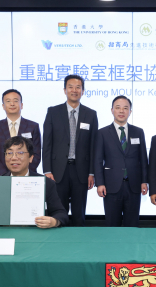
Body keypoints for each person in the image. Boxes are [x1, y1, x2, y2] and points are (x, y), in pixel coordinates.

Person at [0, 136, 68, 228]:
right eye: (9, 153)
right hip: (4, 236)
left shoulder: (45, 183)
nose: (14, 158)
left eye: (20, 153)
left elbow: (61, 213)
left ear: (31, 158)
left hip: (35, 234)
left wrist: (54, 221)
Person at [42, 74, 99, 226]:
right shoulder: (53, 112)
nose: (74, 90)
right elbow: (46, 143)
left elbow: (94, 146)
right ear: (64, 90)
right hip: (58, 170)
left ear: (83, 91)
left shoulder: (91, 114)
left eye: (78, 87)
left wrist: (92, 172)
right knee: (59, 210)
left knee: (79, 212)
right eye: (71, 87)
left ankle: (79, 244)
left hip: (81, 171)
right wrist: (47, 170)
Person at [94, 96, 148, 227]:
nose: (121, 111)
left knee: (132, 223)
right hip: (111, 186)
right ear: (112, 110)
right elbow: (98, 160)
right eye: (118, 108)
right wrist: (100, 183)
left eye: (125, 108)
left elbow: (143, 159)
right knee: (112, 223)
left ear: (130, 111)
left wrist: (144, 181)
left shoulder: (138, 132)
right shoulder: (102, 133)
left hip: (133, 185)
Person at [0, 89, 41, 176]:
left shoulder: (33, 126)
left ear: (22, 105)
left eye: (15, 101)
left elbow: (36, 154)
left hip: (27, 177)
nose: (12, 104)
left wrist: (24, 173)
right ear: (3, 106)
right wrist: (6, 174)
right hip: (1, 176)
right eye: (8, 101)